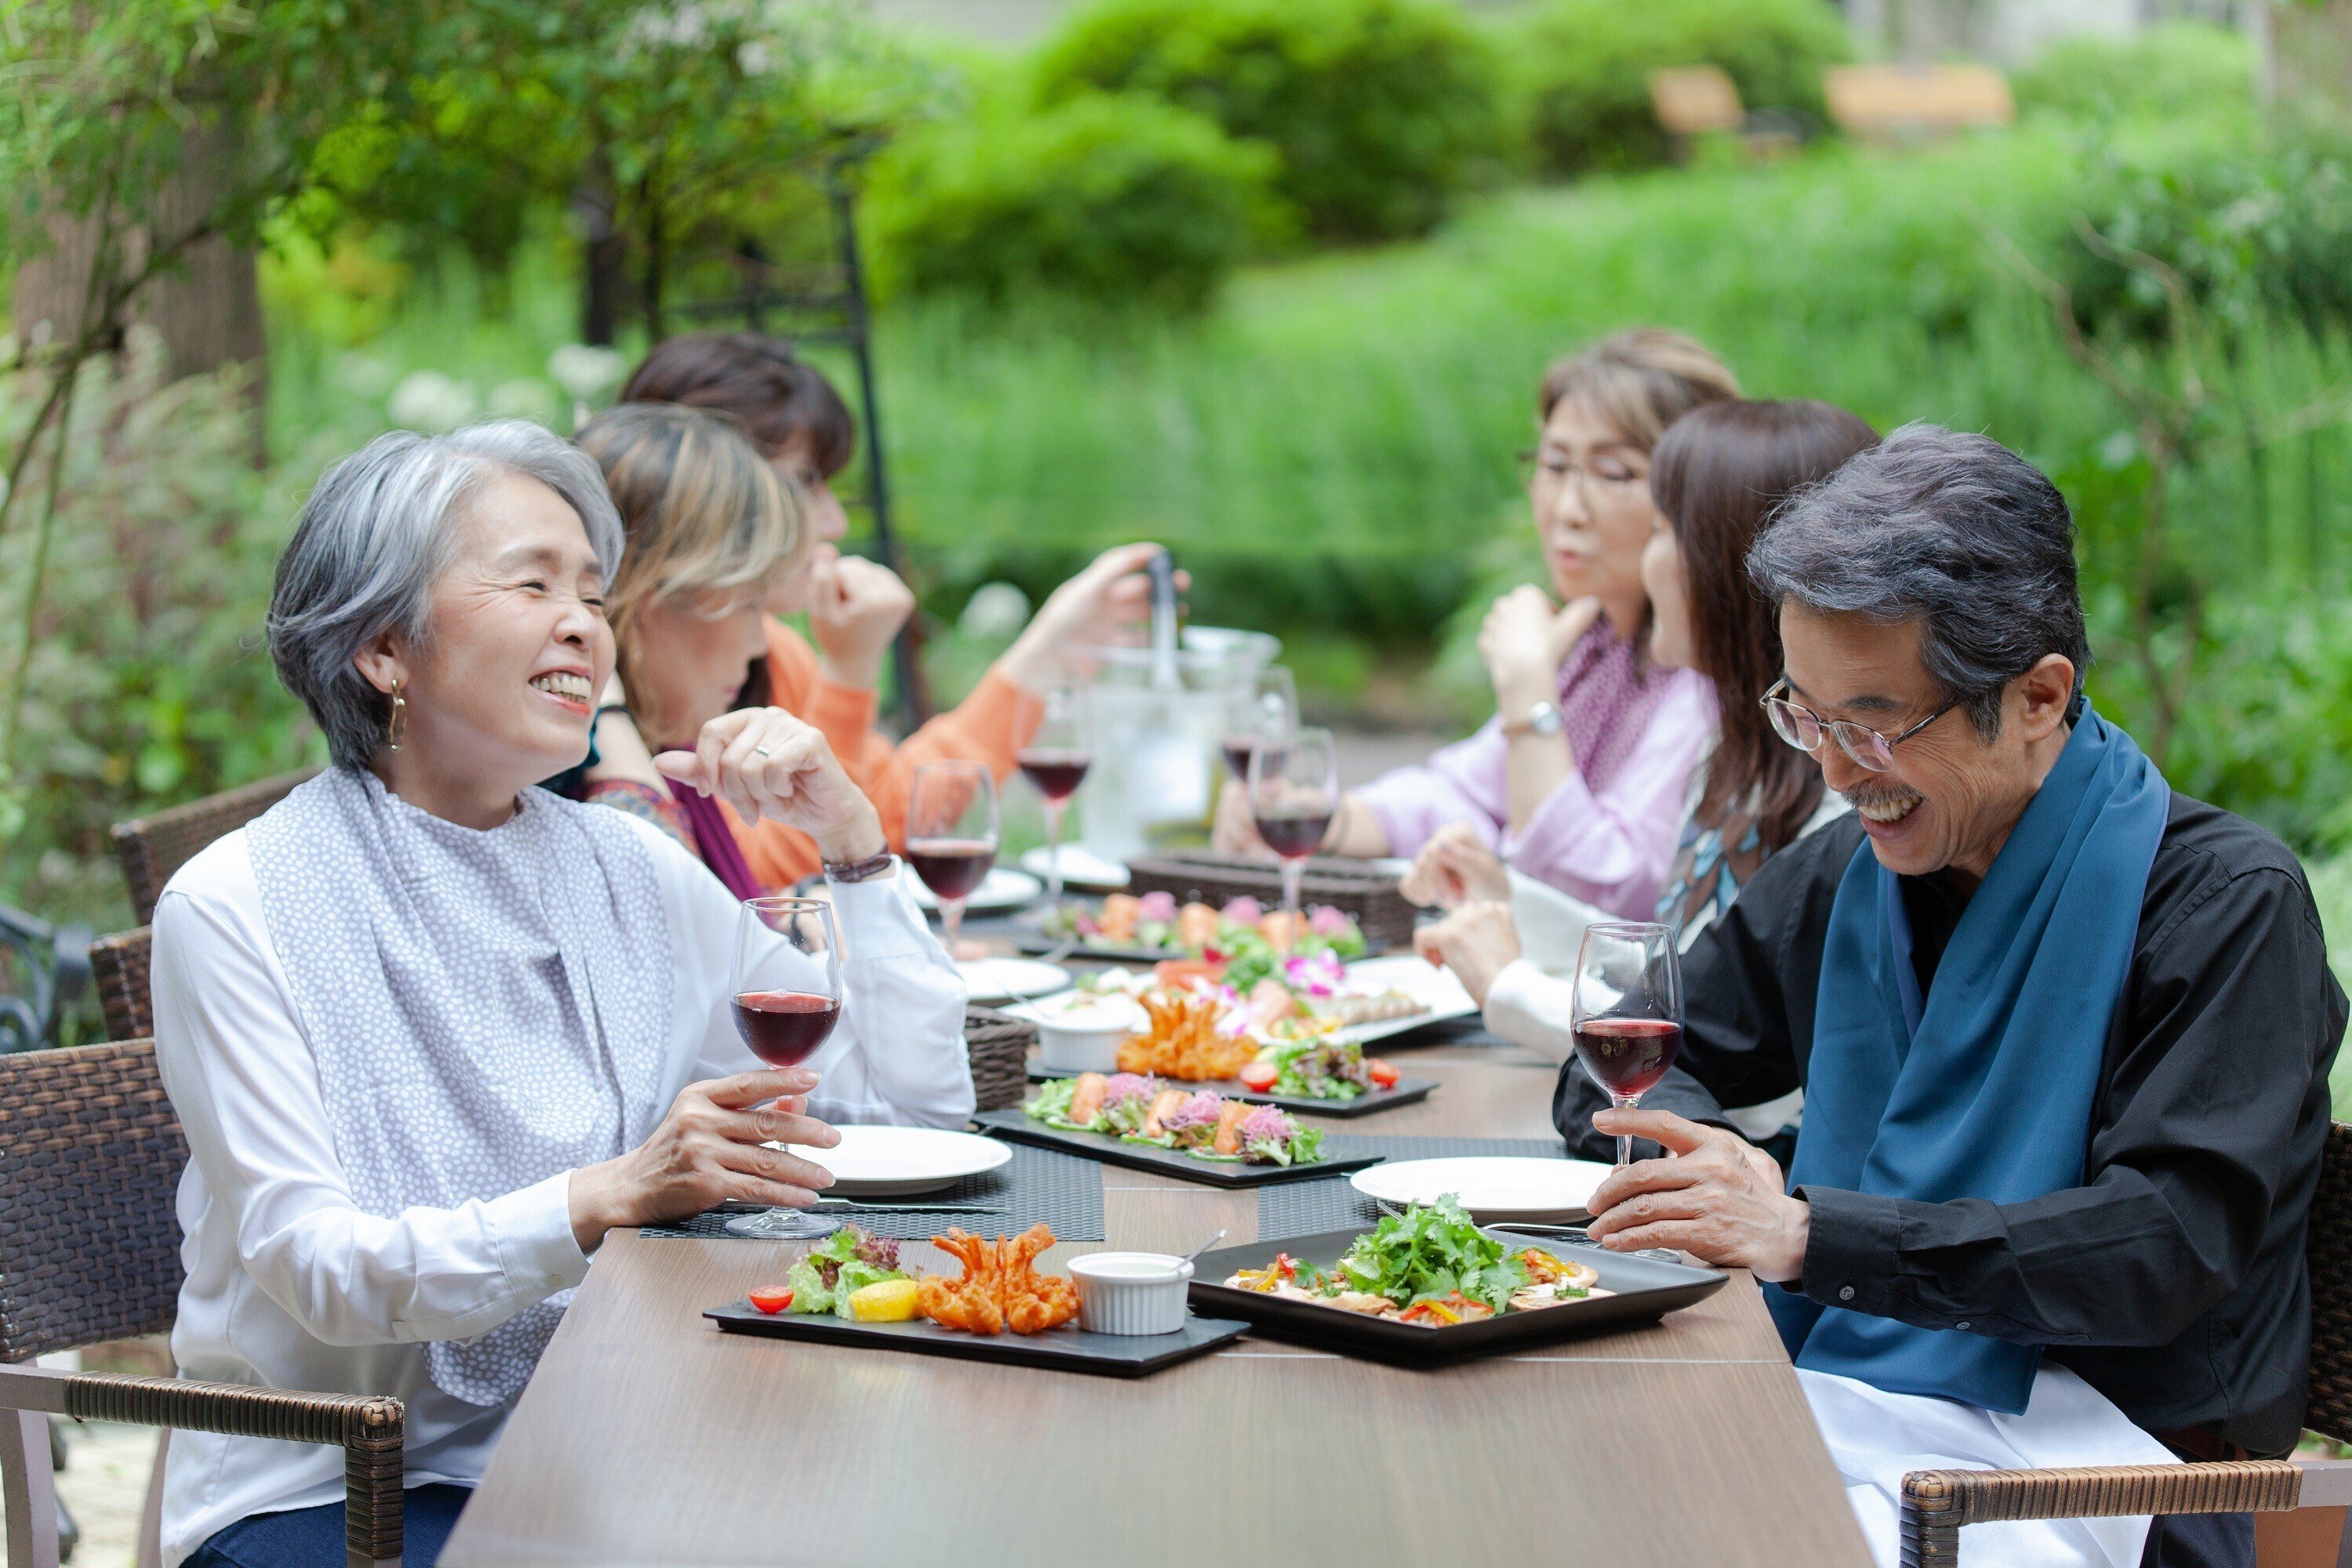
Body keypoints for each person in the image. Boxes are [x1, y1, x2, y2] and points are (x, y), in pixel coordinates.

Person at [151, 422, 975, 1568]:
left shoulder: (623, 866)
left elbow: (901, 1119)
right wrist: (608, 1194)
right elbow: (319, 1271)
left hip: (610, 1434)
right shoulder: (238, 904)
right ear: (385, 647)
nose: (585, 621)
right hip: (328, 1485)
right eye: (532, 580)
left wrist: (851, 845)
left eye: (593, 588)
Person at [1558, 424, 2344, 1568]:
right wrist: (1709, 1167)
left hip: (2108, 1468)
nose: (1832, 771)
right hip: (1845, 1392)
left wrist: (1809, 1235)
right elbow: (1629, 1057)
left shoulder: (2227, 906)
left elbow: (2163, 1248)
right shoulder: (1850, 873)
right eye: (1806, 714)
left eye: (1876, 723)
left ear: (2038, 696)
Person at [1408, 398, 1876, 1153]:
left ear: (1732, 568)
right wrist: (1510, 901)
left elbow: (1722, 1069)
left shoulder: (1841, 795)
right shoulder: (1731, 754)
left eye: (1661, 529)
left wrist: (1510, 984)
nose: (1645, 562)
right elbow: (1680, 968)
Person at [619, 331, 1174, 886]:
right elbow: (768, 873)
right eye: (805, 481)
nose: (833, 522)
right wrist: (847, 673)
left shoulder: (772, 650)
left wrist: (1047, 654)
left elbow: (881, 814)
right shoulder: (654, 663)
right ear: (702, 478)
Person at [1214, 329, 1734, 920]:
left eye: (1614, 474)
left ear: (1697, 496)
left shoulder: (1705, 677)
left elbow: (1604, 891)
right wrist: (1327, 816)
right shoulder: (1596, 642)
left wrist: (1527, 690)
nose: (1567, 509)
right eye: (1555, 465)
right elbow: (1469, 793)